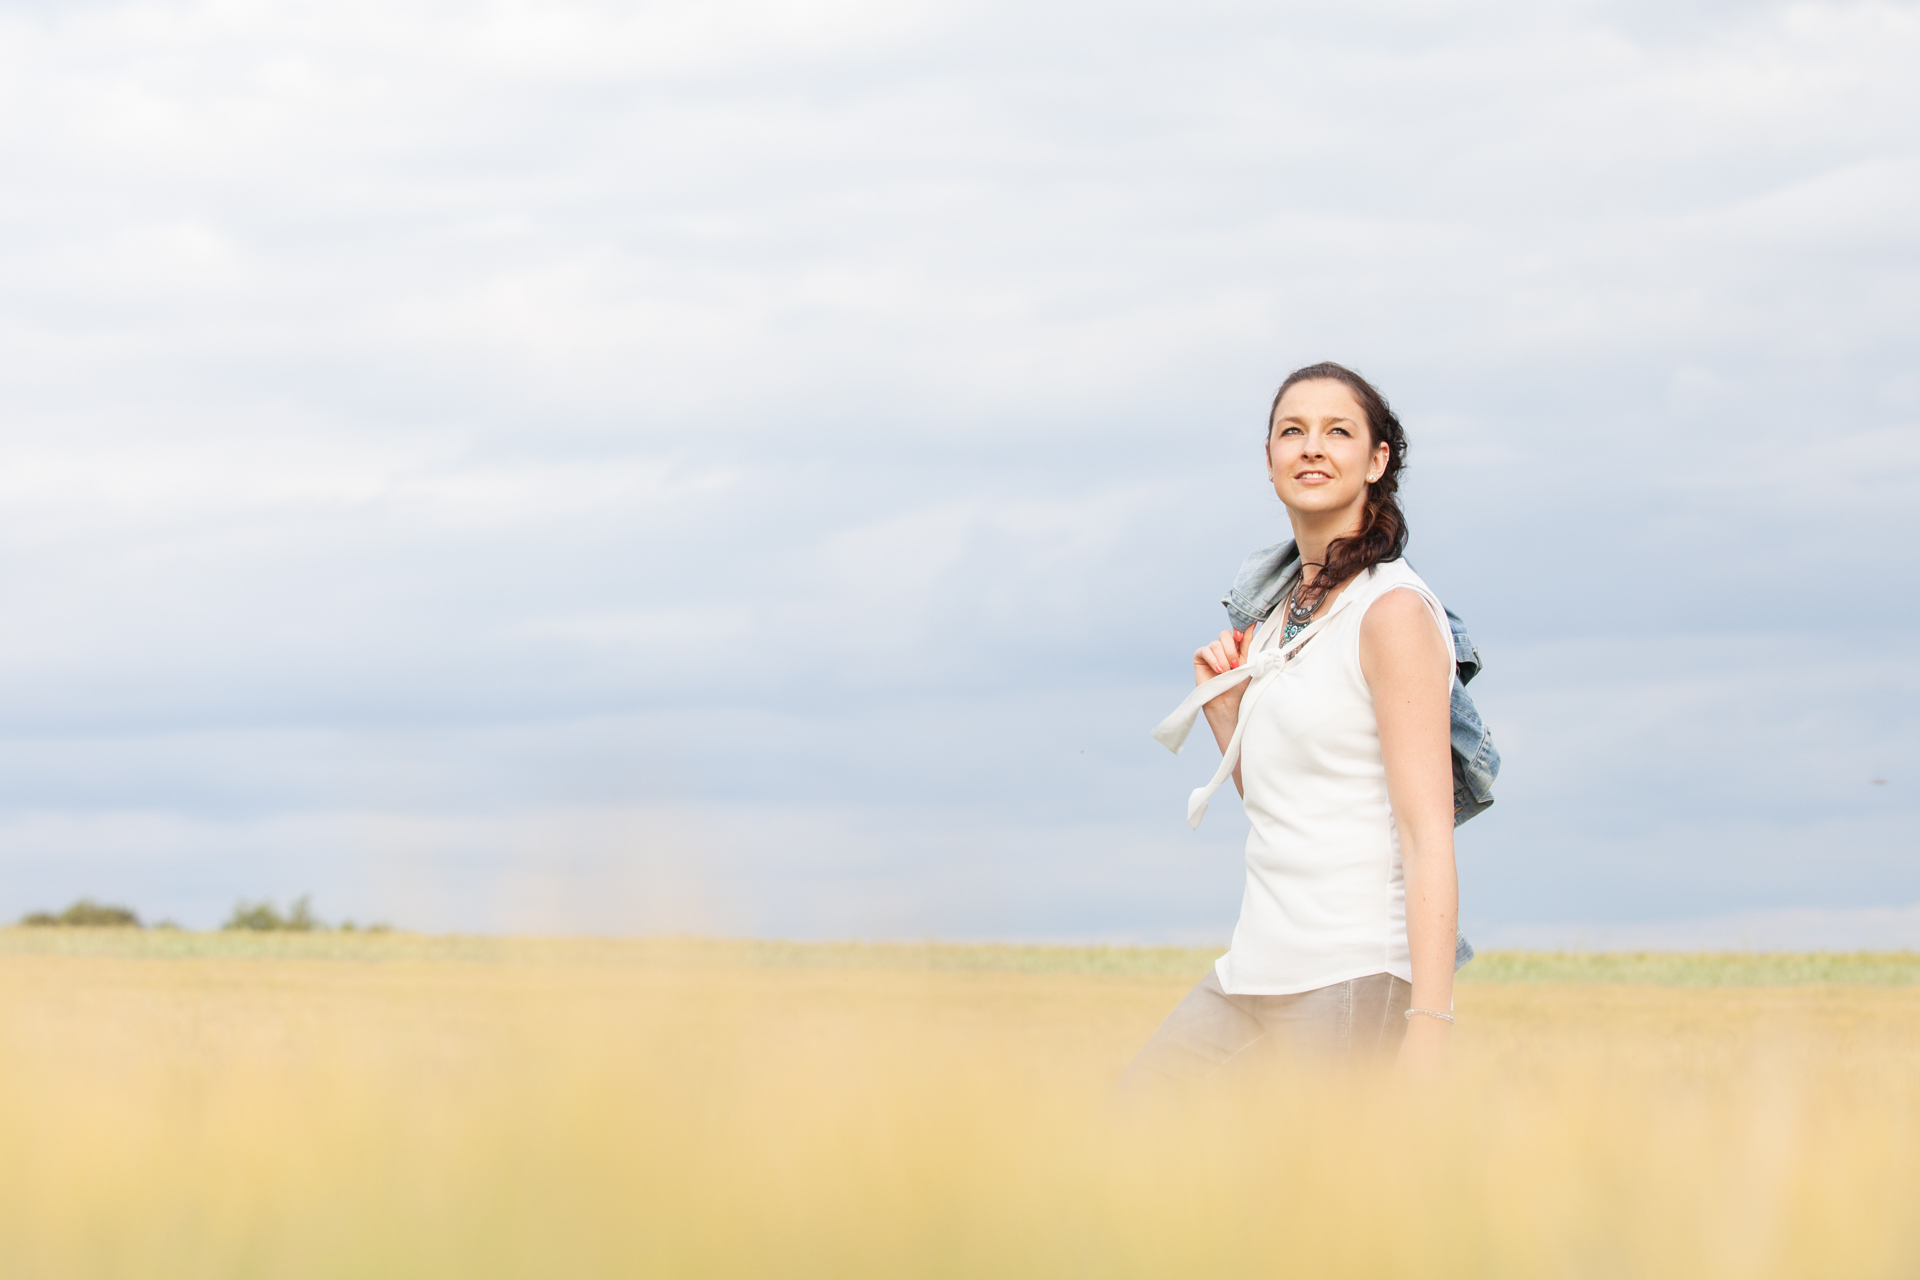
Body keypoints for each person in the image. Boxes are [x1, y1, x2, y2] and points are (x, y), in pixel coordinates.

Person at [1120, 362, 1460, 1090]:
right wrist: (1225, 716)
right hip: (1253, 969)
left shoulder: (1392, 614)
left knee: (1316, 1200)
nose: (1312, 446)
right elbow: (1289, 807)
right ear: (1269, 462)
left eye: (1338, 431)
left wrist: (1430, 1027)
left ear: (1377, 461)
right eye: (1292, 431)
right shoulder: (1276, 621)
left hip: (1350, 972)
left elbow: (1428, 832)